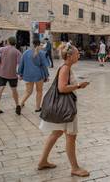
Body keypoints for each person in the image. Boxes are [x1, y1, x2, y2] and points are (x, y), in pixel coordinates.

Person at [38, 43, 90, 177]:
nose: (79, 55)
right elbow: (61, 88)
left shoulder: (66, 67)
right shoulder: (65, 68)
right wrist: (78, 86)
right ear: (70, 56)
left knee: (56, 133)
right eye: (77, 53)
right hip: (66, 108)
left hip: (64, 107)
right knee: (71, 136)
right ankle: (74, 167)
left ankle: (43, 161)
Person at [18, 39, 50, 112]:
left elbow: (21, 64)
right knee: (39, 91)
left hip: (28, 75)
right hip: (39, 75)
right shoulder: (42, 53)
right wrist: (47, 75)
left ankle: (20, 104)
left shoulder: (25, 52)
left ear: (32, 44)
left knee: (28, 92)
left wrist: (20, 74)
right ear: (39, 44)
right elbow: (45, 66)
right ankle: (37, 108)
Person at [0, 36, 22, 115]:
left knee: (0, 89)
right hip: (13, 74)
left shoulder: (1, 49)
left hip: (2, 72)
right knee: (14, 90)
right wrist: (19, 74)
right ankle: (17, 105)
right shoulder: (17, 52)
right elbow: (20, 65)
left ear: (8, 41)